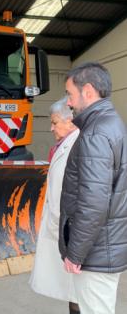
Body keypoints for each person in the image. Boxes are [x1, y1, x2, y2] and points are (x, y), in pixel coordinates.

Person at [59, 62, 127, 314]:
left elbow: (93, 202)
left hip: (96, 253)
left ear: (87, 91)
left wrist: (75, 254)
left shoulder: (96, 133)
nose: (68, 103)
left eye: (70, 94)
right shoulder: (113, 124)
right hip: (106, 247)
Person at [29, 97, 80, 314]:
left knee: (79, 291)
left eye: (55, 122)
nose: (51, 128)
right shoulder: (62, 146)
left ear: (70, 122)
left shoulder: (77, 147)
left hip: (74, 232)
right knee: (73, 290)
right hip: (65, 230)